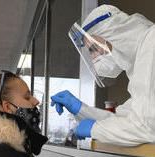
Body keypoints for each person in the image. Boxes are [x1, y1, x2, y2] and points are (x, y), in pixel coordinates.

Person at [51, 5, 155, 146]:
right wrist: (81, 110)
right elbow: (125, 118)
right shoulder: (139, 63)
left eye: (94, 49)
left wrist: (94, 129)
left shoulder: (151, 44)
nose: (95, 58)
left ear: (116, 34)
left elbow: (146, 127)